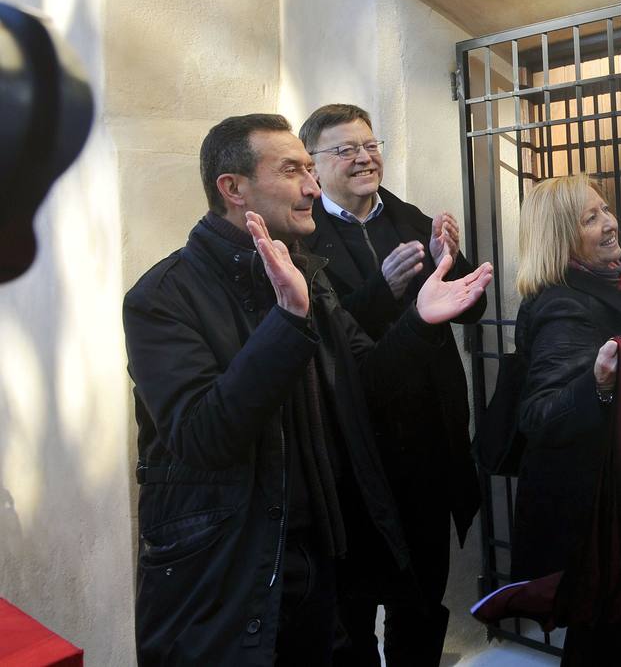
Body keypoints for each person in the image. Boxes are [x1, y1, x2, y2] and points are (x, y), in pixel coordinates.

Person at [124, 113, 492, 666]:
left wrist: (418, 320)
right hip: (226, 580)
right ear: (234, 188)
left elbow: (365, 383)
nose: (313, 187)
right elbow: (202, 436)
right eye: (294, 169)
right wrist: (288, 321)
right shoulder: (162, 297)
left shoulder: (308, 275)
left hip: (316, 566)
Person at [298, 103, 483, 666]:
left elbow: (469, 313)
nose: (363, 157)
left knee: (423, 606)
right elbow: (321, 337)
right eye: (345, 149)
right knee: (352, 615)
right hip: (357, 459)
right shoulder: (303, 236)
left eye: (370, 144)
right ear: (313, 166)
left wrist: (451, 260)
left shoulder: (405, 216)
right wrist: (380, 289)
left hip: (427, 451)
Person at [511, 174, 621, 666]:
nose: (609, 223)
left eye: (605, 210)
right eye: (590, 218)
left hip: (607, 503)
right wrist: (595, 385)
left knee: (604, 637)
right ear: (562, 238)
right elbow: (538, 414)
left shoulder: (594, 289)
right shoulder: (565, 307)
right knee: (599, 641)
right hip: (590, 517)